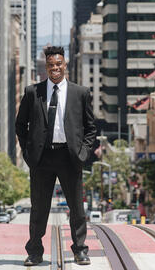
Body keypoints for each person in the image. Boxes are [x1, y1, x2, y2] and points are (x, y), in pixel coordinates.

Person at [16, 46, 96, 266]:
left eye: (59, 64)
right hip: (41, 159)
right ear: (46, 66)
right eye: (51, 65)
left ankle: (80, 250)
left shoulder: (80, 93)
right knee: (39, 208)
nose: (55, 68)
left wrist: (83, 152)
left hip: (70, 158)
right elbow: (20, 125)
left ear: (65, 64)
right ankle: (34, 251)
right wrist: (28, 153)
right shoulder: (33, 92)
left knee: (77, 209)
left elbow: (91, 128)